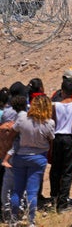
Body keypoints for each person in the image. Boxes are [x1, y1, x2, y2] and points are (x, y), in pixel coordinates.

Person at [10, 95, 55, 226]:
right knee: (32, 192)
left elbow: (12, 133)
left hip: (21, 155)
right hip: (39, 156)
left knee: (17, 190)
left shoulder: (23, 119)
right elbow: (51, 140)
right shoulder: (48, 123)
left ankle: (14, 219)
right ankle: (31, 221)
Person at [50, 79, 72, 213]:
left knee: (55, 168)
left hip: (57, 137)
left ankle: (54, 196)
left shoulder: (55, 105)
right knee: (67, 171)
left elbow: (53, 122)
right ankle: (63, 203)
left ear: (62, 91)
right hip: (69, 137)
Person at [1, 95, 27, 223]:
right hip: (20, 156)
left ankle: (7, 211)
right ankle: (19, 209)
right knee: (19, 186)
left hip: (9, 157)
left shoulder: (5, 124)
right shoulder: (23, 120)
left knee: (7, 186)